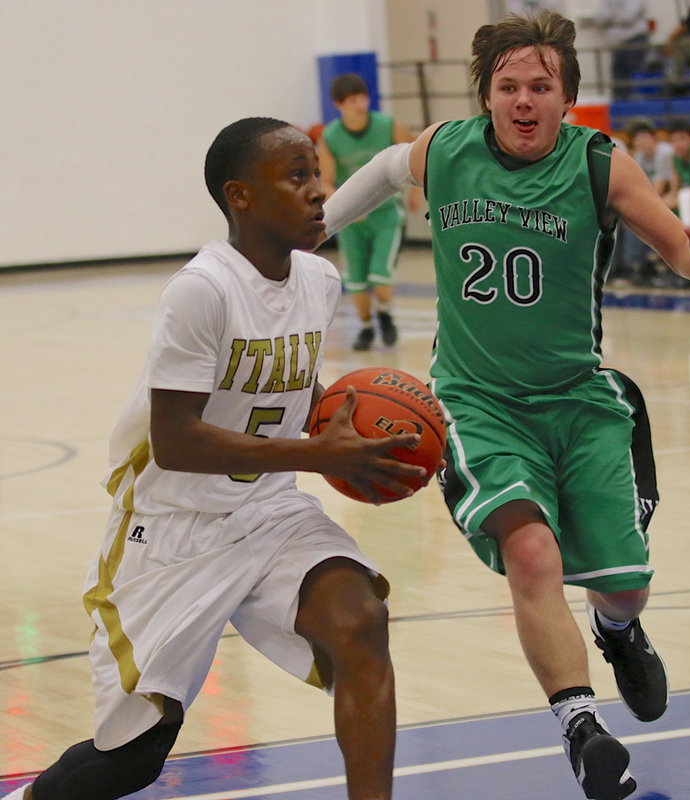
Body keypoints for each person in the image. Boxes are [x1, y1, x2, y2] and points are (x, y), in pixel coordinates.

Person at [322, 11, 690, 799]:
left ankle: (616, 627)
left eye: (540, 87)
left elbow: (687, 257)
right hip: (476, 400)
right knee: (530, 552)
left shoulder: (599, 163)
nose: (523, 100)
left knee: (622, 583)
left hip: (577, 400)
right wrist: (311, 228)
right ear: (486, 95)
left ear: (566, 98)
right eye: (507, 86)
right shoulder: (446, 150)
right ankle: (580, 725)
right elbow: (384, 170)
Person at [2, 117, 429, 800]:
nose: (317, 190)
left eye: (316, 173)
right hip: (172, 528)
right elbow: (177, 440)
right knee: (131, 760)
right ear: (241, 195)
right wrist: (317, 452)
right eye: (296, 176)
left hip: (268, 512)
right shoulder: (202, 289)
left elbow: (292, 389)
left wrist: (356, 429)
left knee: (360, 622)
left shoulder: (318, 281)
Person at [318, 73, 420, 351]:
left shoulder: (387, 125)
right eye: (352, 100)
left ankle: (385, 314)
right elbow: (325, 181)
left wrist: (416, 192)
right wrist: (348, 205)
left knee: (380, 273)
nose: (360, 104)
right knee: (357, 280)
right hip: (353, 221)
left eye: (362, 98)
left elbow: (416, 155)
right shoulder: (330, 136)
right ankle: (365, 328)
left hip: (386, 214)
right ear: (339, 105)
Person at [616, 117, 674, 284]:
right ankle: (628, 265)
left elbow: (658, 188)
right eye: (637, 139)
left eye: (644, 137)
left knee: (638, 215)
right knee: (623, 216)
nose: (641, 142)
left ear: (653, 137)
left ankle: (640, 264)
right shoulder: (640, 156)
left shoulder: (664, 152)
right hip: (655, 199)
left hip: (670, 198)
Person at [582, 0, 650, 100]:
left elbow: (628, 16)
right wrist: (616, 16)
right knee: (618, 75)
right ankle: (620, 103)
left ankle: (636, 102)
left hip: (634, 41)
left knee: (635, 73)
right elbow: (600, 18)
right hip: (617, 44)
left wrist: (611, 18)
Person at [661, 117, 690, 230]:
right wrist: (667, 200)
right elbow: (674, 188)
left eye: (682, 139)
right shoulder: (674, 157)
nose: (678, 144)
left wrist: (678, 199)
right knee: (661, 205)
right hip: (687, 198)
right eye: (674, 141)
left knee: (686, 195)